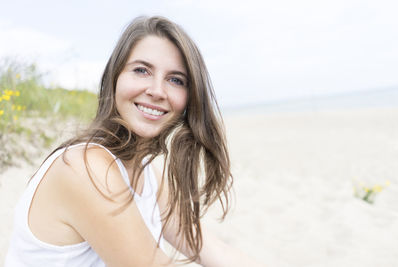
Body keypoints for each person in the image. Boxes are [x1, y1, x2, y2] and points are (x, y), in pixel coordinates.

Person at [5, 16, 265, 266]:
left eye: (175, 80)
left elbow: (214, 250)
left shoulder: (148, 174)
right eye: (141, 70)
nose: (156, 91)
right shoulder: (84, 167)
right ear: (115, 78)